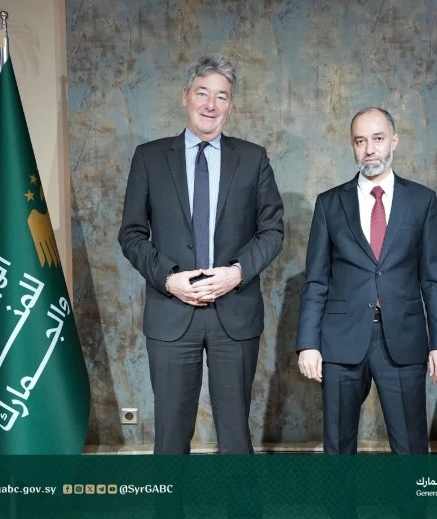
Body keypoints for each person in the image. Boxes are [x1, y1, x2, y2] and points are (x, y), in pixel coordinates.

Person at [118, 54, 284, 454]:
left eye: (221, 96)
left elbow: (272, 230)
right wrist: (168, 279)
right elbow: (132, 234)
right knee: (171, 437)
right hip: (172, 313)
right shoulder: (150, 157)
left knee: (236, 436)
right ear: (185, 97)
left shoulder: (253, 158)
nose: (210, 105)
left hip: (235, 313)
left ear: (231, 105)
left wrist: (236, 272)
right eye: (202, 93)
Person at [296, 107, 437, 454]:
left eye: (378, 139)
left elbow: (433, 280)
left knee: (411, 449)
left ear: (394, 141)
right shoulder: (329, 204)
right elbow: (316, 281)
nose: (369, 149)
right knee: (338, 449)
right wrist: (308, 344)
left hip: (403, 339)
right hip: (340, 341)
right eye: (360, 141)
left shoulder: (422, 201)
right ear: (352, 146)